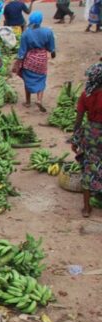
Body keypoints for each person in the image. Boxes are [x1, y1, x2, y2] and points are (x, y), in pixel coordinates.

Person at [72, 63, 102, 217]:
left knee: (89, 167)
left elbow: (78, 120)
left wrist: (75, 139)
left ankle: (86, 207)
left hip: (91, 134)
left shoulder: (86, 95)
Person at [16, 11, 56, 112]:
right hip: (41, 59)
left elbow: (22, 51)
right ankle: (39, 100)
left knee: (27, 79)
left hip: (29, 59)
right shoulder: (48, 32)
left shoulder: (26, 33)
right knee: (42, 78)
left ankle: (28, 102)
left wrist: (17, 63)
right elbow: (52, 48)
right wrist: (52, 53)